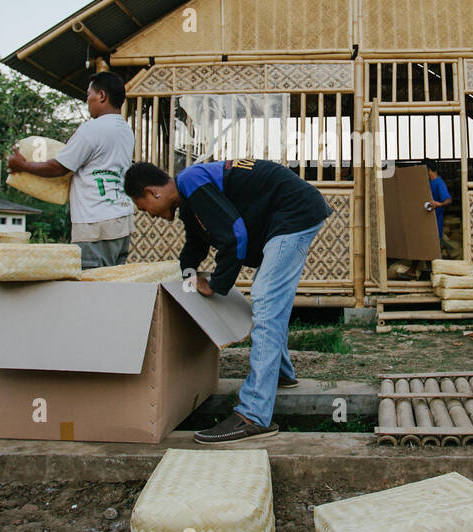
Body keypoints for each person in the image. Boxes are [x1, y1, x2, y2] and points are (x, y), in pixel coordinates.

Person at [124, 158, 332, 444]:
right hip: (287, 214)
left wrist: (216, 285)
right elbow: (196, 243)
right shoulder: (189, 197)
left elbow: (235, 236)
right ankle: (282, 374)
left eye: (142, 207)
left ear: (151, 193)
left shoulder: (190, 180)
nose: (149, 214)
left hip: (294, 213)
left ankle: (254, 415)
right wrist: (185, 278)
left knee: (266, 297)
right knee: (268, 299)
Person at [7, 70, 135, 269]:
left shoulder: (92, 129)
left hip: (95, 225)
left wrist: (22, 165)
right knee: (112, 287)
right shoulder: (126, 132)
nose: (88, 101)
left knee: (89, 288)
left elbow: (59, 167)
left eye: (88, 95)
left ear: (102, 95)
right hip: (121, 222)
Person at [425, 161, 453, 254]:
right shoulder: (428, 183)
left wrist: (440, 204)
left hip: (435, 220)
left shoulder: (439, 183)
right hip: (426, 219)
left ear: (428, 170)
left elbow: (448, 199)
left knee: (434, 246)